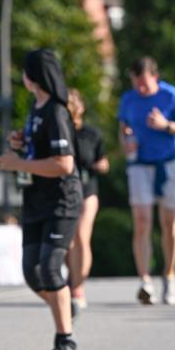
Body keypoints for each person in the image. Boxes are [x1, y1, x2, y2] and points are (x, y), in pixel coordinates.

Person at [0, 48, 82, 350]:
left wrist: (18, 163)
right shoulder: (36, 106)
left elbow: (64, 164)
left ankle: (65, 339)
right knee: (31, 272)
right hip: (35, 201)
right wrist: (23, 144)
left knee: (49, 266)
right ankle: (66, 308)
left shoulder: (57, 111)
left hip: (61, 201)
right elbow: (40, 151)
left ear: (33, 76)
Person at [118, 56, 175, 305]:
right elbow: (123, 129)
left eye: (145, 85)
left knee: (169, 221)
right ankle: (145, 280)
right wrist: (126, 142)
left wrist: (166, 125)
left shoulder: (171, 96)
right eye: (136, 84)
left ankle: (169, 276)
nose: (140, 89)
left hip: (168, 164)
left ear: (155, 77)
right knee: (141, 221)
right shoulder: (128, 99)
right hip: (139, 165)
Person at [66, 88, 109, 315]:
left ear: (81, 107)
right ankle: (71, 280)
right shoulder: (59, 132)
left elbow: (104, 161)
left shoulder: (91, 134)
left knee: (82, 236)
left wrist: (100, 166)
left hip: (87, 190)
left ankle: (78, 287)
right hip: (64, 190)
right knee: (68, 242)